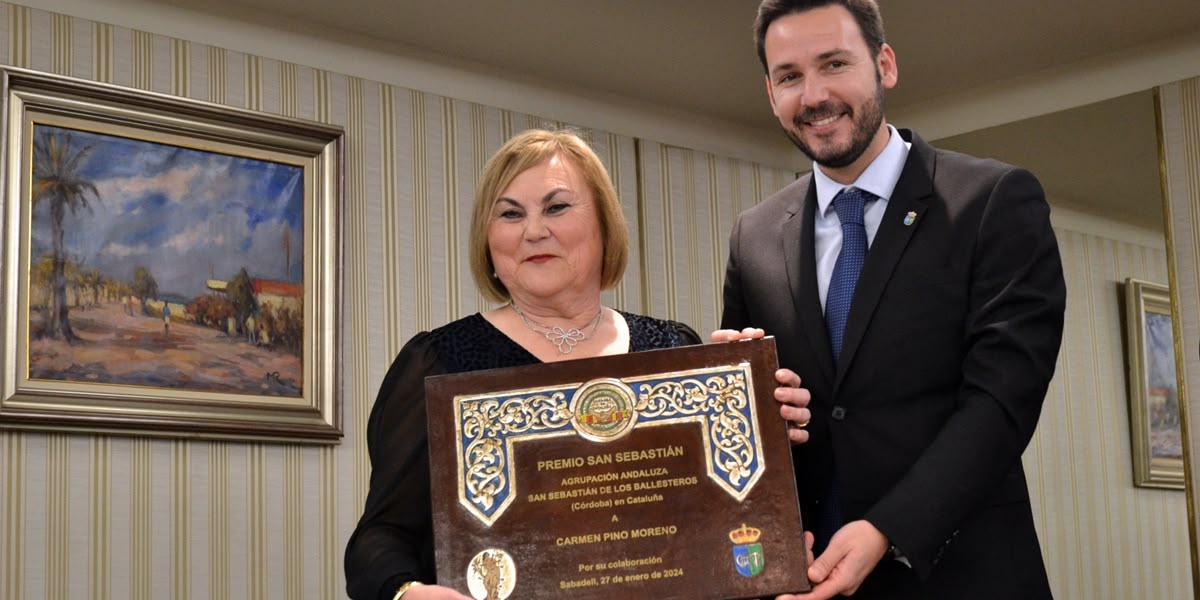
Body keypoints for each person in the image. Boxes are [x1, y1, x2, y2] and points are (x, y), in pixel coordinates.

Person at [344, 129, 812, 600]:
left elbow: (719, 525)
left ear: (605, 223)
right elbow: (379, 538)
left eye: (556, 207)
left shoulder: (671, 348)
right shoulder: (438, 362)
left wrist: (764, 419)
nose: (533, 231)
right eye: (510, 214)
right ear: (488, 239)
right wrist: (404, 592)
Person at [715, 1, 1067, 598]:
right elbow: (757, 428)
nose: (814, 95)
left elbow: (1002, 403)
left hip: (965, 576)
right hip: (808, 579)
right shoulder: (755, 235)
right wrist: (740, 396)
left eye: (834, 64)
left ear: (885, 65)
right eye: (790, 76)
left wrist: (887, 527)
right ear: (770, 93)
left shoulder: (993, 202)